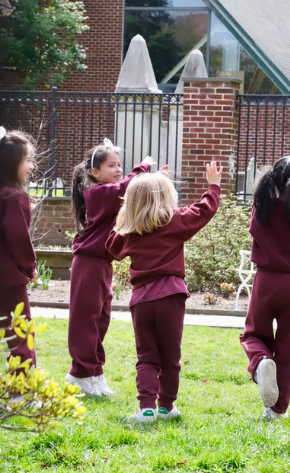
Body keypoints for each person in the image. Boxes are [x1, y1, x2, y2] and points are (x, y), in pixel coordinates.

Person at [106, 163, 222, 423]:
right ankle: (166, 407)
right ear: (166, 198)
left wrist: (128, 213)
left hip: (142, 301)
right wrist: (213, 186)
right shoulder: (175, 220)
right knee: (171, 356)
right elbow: (204, 211)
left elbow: (112, 248)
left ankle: (146, 408)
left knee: (147, 357)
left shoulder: (130, 230)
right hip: (171, 296)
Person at [239, 156, 290, 420]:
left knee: (253, 334)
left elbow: (255, 228)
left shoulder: (262, 207)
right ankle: (276, 409)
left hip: (266, 281)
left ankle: (261, 362)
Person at [67, 140, 154, 396]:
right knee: (86, 320)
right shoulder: (97, 192)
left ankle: (92, 372)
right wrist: (143, 167)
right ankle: (81, 372)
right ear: (95, 172)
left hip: (101, 263)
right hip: (88, 263)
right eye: (112, 165)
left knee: (100, 319)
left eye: (120, 165)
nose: (118, 169)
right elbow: (127, 187)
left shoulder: (106, 191)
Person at [0, 127, 38, 372]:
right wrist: (30, 267)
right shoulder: (13, 196)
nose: (32, 166)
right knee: (20, 332)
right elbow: (18, 238)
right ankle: (21, 390)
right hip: (9, 279)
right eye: (27, 160)